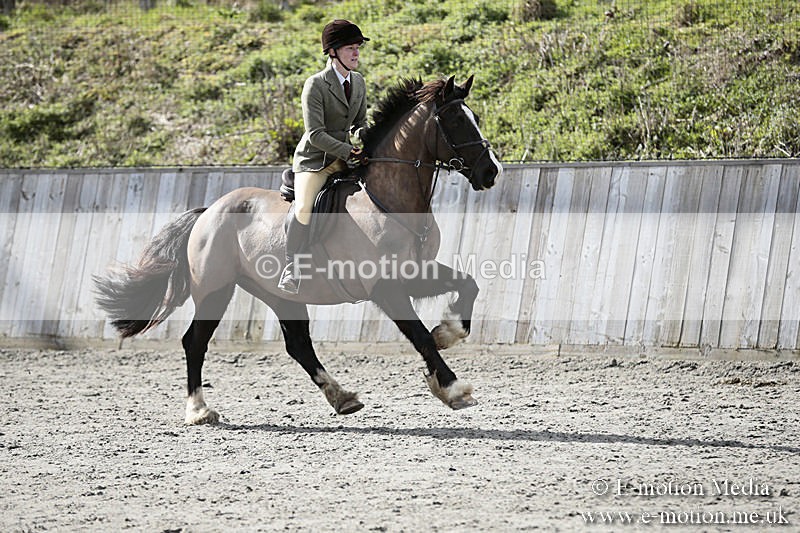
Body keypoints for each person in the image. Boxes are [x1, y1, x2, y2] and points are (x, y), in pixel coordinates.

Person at [278, 19, 370, 294]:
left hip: (346, 157)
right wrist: (348, 150)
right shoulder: (315, 85)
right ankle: (291, 268)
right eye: (350, 48)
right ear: (333, 52)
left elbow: (360, 123)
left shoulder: (359, 82)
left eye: (357, 48)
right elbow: (315, 133)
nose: (356, 53)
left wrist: (370, 140)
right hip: (315, 161)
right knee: (304, 207)